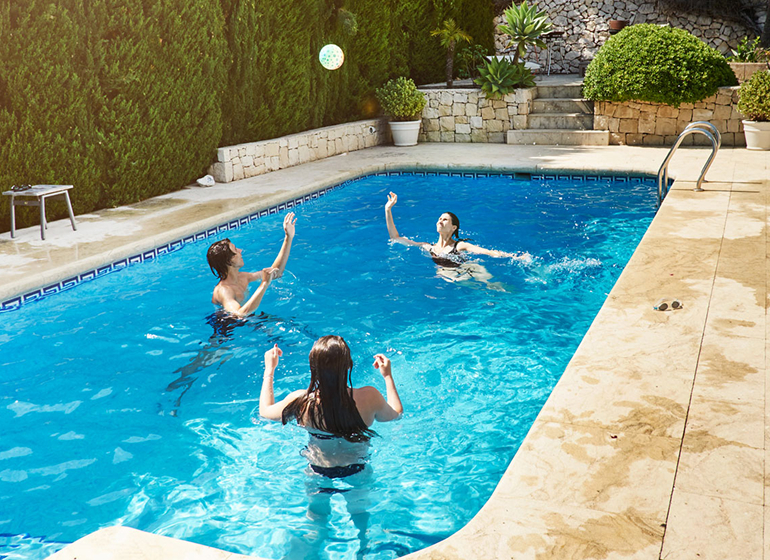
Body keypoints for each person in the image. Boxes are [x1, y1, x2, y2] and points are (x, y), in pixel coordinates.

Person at [259, 336, 402, 556]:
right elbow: (395, 414)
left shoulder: (302, 402)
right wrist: (388, 376)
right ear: (349, 366)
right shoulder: (368, 397)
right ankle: (364, 549)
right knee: (361, 517)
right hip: (358, 469)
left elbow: (265, 412)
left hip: (318, 471)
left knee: (317, 519)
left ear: (313, 368)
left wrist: (270, 370)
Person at [384, 192, 529, 282]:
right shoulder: (427, 247)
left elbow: (487, 252)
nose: (440, 220)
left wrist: (514, 257)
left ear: (454, 228)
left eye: (445, 219)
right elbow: (395, 238)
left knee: (494, 287)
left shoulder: (459, 245)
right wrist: (388, 209)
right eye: (439, 219)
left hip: (470, 269)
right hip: (450, 275)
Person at [206, 212, 296, 317]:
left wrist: (288, 237)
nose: (240, 250)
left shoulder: (244, 277)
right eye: (235, 250)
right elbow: (239, 314)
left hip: (247, 320)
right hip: (228, 326)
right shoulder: (224, 290)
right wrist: (264, 284)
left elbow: (276, 272)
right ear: (229, 262)